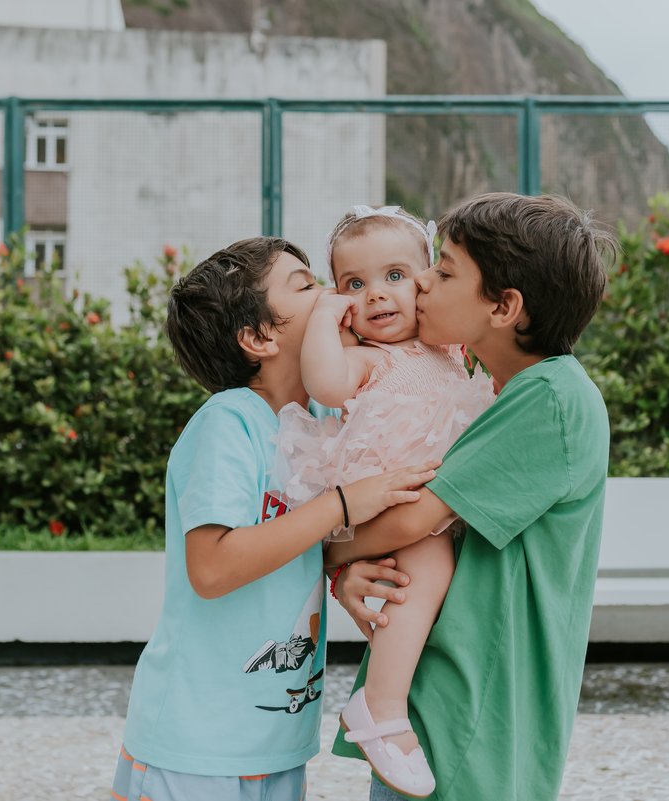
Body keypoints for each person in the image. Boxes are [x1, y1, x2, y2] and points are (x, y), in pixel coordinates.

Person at [110, 237, 440, 801]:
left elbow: (291, 542)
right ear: (261, 337)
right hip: (197, 744)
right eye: (306, 285)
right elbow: (213, 568)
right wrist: (340, 505)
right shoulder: (228, 422)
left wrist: (339, 572)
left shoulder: (317, 424)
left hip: (278, 741)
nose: (335, 294)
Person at [327, 193, 614, 801]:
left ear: (505, 307)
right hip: (444, 693)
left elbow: (415, 522)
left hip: (475, 709)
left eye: (445, 271)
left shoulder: (551, 397)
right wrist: (347, 566)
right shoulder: (494, 388)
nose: (422, 282)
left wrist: (323, 555)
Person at [270, 206, 496, 797]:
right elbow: (324, 384)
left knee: (428, 586)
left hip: (424, 500)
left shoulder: (447, 349)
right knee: (428, 567)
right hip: (383, 499)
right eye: (354, 285)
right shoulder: (370, 358)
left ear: (426, 279)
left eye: (395, 276)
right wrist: (324, 317)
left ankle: (394, 698)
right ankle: (381, 709)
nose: (376, 295)